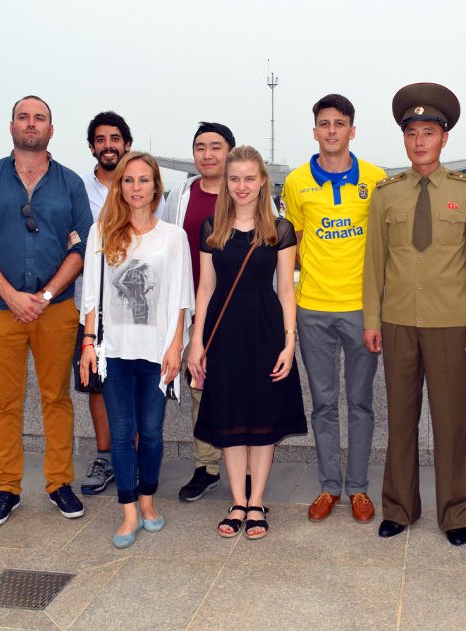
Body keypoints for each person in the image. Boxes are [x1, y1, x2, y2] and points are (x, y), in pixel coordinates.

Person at [362, 82, 466, 547]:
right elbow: (374, 261)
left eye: (429, 132)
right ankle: (399, 508)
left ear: (444, 138)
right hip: (397, 322)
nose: (421, 141)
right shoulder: (386, 194)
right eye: (413, 132)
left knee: (453, 422)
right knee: (400, 419)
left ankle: (455, 511)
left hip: (450, 323)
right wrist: (372, 321)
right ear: (404, 139)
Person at [0, 95, 91, 526]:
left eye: (40, 118)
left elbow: (82, 247)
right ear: (11, 125)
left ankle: (59, 483)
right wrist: (12, 295)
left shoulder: (70, 184)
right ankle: (6, 488)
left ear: (51, 130)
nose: (31, 124)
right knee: (5, 402)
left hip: (55, 310)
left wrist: (47, 294)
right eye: (23, 117)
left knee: (56, 399)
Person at [187, 145, 306, 540]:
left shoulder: (279, 230)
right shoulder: (211, 229)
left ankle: (257, 502)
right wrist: (196, 341)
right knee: (230, 418)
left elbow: (287, 290)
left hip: (266, 329)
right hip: (224, 334)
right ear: (227, 182)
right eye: (234, 178)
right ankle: (237, 500)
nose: (241, 186)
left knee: (262, 420)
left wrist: (290, 344)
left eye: (249, 178)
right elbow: (205, 289)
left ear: (261, 182)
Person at [80, 152, 193, 548]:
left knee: (152, 432)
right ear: (120, 186)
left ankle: (148, 502)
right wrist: (88, 344)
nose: (136, 188)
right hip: (114, 352)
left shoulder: (173, 237)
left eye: (144, 180)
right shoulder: (103, 232)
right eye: (128, 180)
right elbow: (92, 294)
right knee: (123, 432)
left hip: (157, 350)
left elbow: (182, 297)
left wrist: (176, 345)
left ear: (156, 186)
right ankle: (128, 510)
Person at [281, 94, 386, 524]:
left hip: (362, 311)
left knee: (360, 402)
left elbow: (383, 248)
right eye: (323, 124)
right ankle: (329, 487)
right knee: (324, 403)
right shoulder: (295, 182)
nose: (331, 131)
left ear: (352, 130)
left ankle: (358, 489)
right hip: (313, 310)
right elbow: (297, 248)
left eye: (339, 124)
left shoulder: (377, 180)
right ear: (314, 131)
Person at [74, 111, 166, 496]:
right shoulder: (78, 189)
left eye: (115, 138)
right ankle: (107, 457)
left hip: (147, 319)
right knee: (100, 387)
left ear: (126, 144)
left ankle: (142, 473)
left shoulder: (158, 205)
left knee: (147, 410)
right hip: (95, 313)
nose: (107, 145)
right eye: (100, 139)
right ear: (92, 146)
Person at [164, 122, 236, 501]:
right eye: (200, 147)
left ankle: (245, 467)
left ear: (230, 152)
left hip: (238, 306)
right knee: (199, 385)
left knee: (240, 385)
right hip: (193, 306)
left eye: (216, 147)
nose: (207, 155)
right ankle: (206, 466)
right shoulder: (180, 194)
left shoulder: (246, 190)